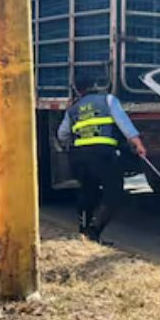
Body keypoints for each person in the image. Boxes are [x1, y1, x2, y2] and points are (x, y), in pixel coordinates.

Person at [56, 72, 146, 244]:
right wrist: (138, 144)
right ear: (97, 85)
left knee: (87, 192)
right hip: (103, 155)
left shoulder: (73, 109)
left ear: (77, 89)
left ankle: (84, 232)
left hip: (80, 156)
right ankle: (95, 231)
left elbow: (62, 134)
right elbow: (124, 124)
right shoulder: (108, 100)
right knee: (114, 193)